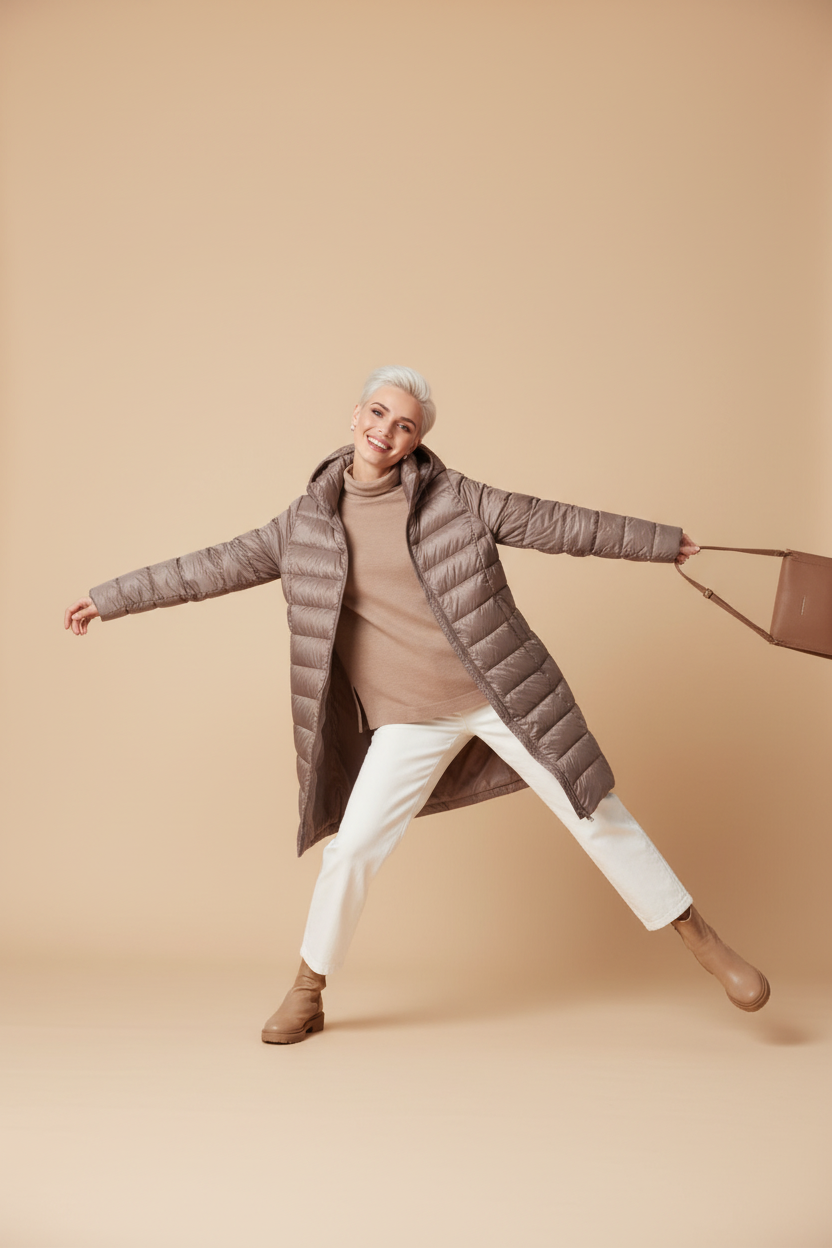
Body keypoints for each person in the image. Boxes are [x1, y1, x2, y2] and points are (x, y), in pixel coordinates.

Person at [65, 365, 770, 1043]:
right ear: (356, 416)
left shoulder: (457, 498)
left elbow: (556, 523)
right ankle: (308, 989)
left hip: (502, 695)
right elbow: (207, 567)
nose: (386, 430)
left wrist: (658, 542)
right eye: (378, 413)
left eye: (404, 424)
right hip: (409, 720)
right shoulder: (302, 526)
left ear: (416, 440)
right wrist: (109, 599)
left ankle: (703, 941)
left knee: (595, 809)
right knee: (352, 849)